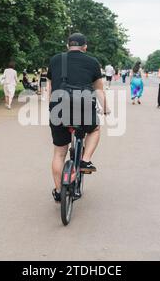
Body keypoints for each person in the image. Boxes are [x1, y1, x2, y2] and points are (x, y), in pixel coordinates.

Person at [47, 33, 109, 202]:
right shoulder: (92, 62)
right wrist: (106, 109)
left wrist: (50, 107)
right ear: (85, 47)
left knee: (59, 153)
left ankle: (60, 191)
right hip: (83, 107)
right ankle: (85, 160)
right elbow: (98, 90)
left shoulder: (55, 60)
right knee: (95, 129)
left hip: (58, 107)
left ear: (68, 45)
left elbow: (50, 87)